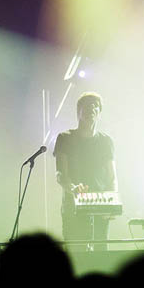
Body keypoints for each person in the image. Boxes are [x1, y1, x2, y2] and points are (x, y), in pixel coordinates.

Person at [53, 92, 118, 245]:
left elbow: (112, 176)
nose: (91, 110)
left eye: (95, 107)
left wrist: (113, 203)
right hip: (73, 206)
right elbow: (60, 174)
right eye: (87, 107)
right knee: (76, 255)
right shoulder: (65, 138)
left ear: (99, 112)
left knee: (101, 254)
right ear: (79, 111)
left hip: (100, 206)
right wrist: (73, 188)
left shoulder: (105, 141)